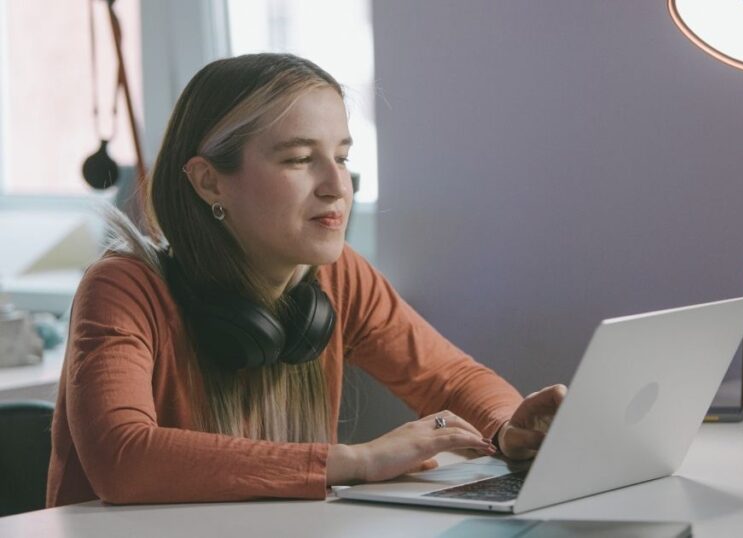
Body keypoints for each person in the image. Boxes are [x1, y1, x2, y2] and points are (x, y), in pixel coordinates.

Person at [46, 53, 566, 507]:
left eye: (341, 157)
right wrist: (355, 461)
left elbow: (452, 379)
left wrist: (508, 427)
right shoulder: (124, 289)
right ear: (210, 182)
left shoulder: (338, 279)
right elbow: (124, 458)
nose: (338, 186)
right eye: (299, 159)